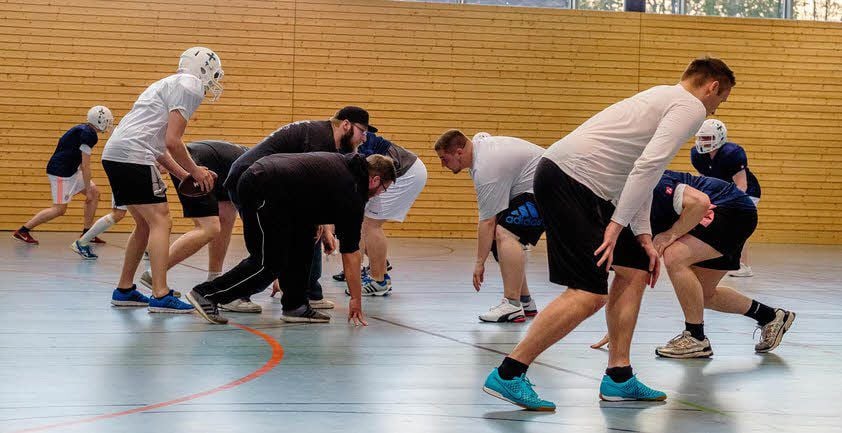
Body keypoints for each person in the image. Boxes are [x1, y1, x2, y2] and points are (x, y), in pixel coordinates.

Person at [481, 56, 735, 410]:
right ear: (712, 87)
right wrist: (617, 225)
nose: (714, 109)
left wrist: (642, 235)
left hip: (586, 185)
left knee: (636, 268)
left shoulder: (662, 96)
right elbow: (648, 166)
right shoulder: (690, 106)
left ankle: (619, 376)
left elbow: (643, 170)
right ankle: (510, 372)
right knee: (588, 292)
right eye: (720, 100)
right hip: (570, 181)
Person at [591, 170, 795, 357]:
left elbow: (699, 202)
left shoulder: (648, 185)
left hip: (731, 209)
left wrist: (670, 234)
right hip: (723, 214)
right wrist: (618, 327)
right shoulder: (618, 217)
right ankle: (771, 316)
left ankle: (696, 337)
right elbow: (631, 278)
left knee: (674, 256)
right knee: (702, 295)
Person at [186, 152, 397, 325]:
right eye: (383, 189)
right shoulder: (353, 192)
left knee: (303, 242)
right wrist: (356, 300)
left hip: (283, 194)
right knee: (269, 263)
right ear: (375, 180)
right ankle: (206, 294)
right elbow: (351, 254)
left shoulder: (348, 167)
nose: (380, 194)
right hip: (262, 187)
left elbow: (314, 189)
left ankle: (296, 306)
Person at [102, 46, 221, 313]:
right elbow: (173, 141)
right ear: (205, 69)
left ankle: (124, 290)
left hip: (116, 153)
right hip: (134, 155)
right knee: (161, 221)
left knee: (144, 225)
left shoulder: (167, 83)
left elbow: (159, 148)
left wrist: (185, 174)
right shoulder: (190, 85)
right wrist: (197, 171)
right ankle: (160, 294)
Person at [224, 106, 374, 309]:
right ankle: (233, 296)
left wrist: (323, 225)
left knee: (306, 233)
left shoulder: (326, 138)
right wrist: (322, 225)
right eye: (362, 131)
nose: (364, 138)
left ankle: (306, 293)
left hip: (268, 186)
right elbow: (308, 187)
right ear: (346, 125)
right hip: (251, 183)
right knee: (267, 252)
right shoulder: (318, 140)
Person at [434, 131, 544, 322]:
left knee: (505, 232)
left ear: (459, 152)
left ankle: (512, 305)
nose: (443, 165)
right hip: (536, 187)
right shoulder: (479, 152)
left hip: (551, 190)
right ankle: (524, 300)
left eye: (444, 158)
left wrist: (479, 263)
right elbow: (481, 135)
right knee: (498, 236)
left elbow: (487, 222)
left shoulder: (485, 168)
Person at [137, 141, 249, 311]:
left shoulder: (259, 164)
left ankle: (214, 279)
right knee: (208, 228)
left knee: (226, 219)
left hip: (214, 167)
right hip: (195, 163)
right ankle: (155, 273)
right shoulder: (262, 172)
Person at [13, 106, 114, 251]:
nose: (109, 124)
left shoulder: (84, 130)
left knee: (94, 192)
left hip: (71, 170)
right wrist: (87, 189)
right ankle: (23, 230)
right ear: (100, 120)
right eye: (107, 120)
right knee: (59, 209)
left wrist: (88, 188)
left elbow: (78, 158)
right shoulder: (88, 134)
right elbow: (86, 165)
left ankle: (87, 233)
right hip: (61, 173)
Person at [341, 131, 427, 296]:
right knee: (362, 222)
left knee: (370, 224)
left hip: (404, 173)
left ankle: (378, 280)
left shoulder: (350, 144)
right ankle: (378, 271)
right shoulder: (347, 140)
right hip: (402, 169)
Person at [691, 119, 760, 277]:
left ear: (719, 137)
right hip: (721, 191)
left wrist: (724, 203)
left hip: (747, 192)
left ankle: (743, 265)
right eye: (701, 138)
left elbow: (742, 185)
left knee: (738, 225)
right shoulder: (697, 154)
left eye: (707, 138)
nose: (703, 142)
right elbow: (705, 180)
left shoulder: (733, 153)